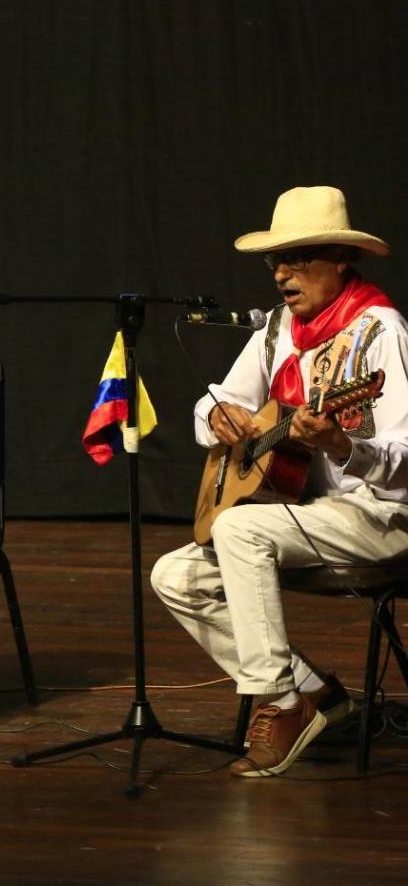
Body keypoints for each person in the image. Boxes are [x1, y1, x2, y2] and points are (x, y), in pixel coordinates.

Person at [151, 185, 408, 776]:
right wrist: (214, 416)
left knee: (240, 528)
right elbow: (214, 402)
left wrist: (347, 445)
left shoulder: (379, 333)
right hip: (304, 516)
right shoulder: (274, 331)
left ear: (341, 260)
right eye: (277, 262)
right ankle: (317, 692)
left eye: (299, 260)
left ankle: (279, 700)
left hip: (379, 519)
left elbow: (402, 462)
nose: (282, 275)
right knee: (174, 575)